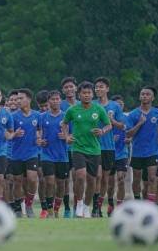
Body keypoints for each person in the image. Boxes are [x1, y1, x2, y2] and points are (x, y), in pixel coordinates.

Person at [62, 81, 112, 218]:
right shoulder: (72, 110)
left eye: (89, 93)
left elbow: (109, 125)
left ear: (92, 94)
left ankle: (86, 206)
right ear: (79, 94)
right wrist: (67, 137)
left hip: (94, 150)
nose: (86, 95)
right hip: (77, 148)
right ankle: (78, 203)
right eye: (84, 93)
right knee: (80, 175)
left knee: (92, 180)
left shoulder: (99, 109)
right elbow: (64, 124)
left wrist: (102, 131)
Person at [126, 86, 158, 204]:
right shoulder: (133, 114)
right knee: (137, 180)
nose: (144, 96)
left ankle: (151, 205)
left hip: (152, 151)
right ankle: (137, 202)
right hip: (137, 151)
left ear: (153, 98)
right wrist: (139, 123)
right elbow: (128, 133)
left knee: (152, 179)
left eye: (147, 94)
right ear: (139, 96)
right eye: (142, 94)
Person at [93, 77, 125, 217]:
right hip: (93, 147)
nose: (98, 89)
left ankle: (99, 207)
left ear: (107, 89)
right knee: (97, 176)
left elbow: (122, 126)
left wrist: (112, 121)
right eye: (96, 87)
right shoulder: (91, 104)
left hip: (109, 148)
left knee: (106, 179)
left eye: (101, 87)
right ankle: (94, 207)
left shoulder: (115, 106)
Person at [38, 90, 69, 218]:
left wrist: (66, 136)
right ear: (49, 101)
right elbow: (38, 132)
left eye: (57, 99)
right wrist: (39, 140)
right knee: (49, 181)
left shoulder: (67, 116)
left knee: (61, 183)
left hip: (62, 155)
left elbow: (74, 135)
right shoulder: (42, 116)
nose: (55, 101)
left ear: (60, 101)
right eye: (52, 99)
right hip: (47, 155)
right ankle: (49, 209)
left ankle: (56, 209)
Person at [10, 89, 41, 218]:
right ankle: (18, 207)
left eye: (20, 98)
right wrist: (14, 134)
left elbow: (40, 129)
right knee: (17, 181)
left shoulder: (37, 115)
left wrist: (39, 137)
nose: (18, 101)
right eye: (17, 99)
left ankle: (28, 204)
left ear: (28, 100)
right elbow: (7, 134)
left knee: (32, 179)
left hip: (32, 152)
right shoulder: (12, 116)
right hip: (16, 154)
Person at [106, 95, 130, 216]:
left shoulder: (126, 119)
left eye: (121, 104)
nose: (119, 106)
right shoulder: (105, 119)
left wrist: (129, 139)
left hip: (122, 154)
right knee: (110, 184)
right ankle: (110, 203)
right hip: (109, 153)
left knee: (121, 179)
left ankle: (120, 206)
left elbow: (130, 132)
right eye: (117, 104)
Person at [60, 76, 79, 217]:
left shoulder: (83, 104)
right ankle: (66, 208)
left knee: (78, 178)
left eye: (71, 86)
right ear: (63, 90)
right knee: (65, 180)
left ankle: (77, 208)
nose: (69, 89)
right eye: (66, 87)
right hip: (63, 149)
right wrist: (63, 135)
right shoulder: (59, 105)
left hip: (80, 148)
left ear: (76, 88)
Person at [35, 90, 49, 218]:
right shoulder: (36, 116)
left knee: (54, 181)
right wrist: (38, 139)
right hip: (39, 152)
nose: (44, 108)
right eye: (41, 107)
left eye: (46, 106)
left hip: (56, 153)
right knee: (42, 179)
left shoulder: (60, 115)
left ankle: (53, 205)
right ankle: (44, 208)